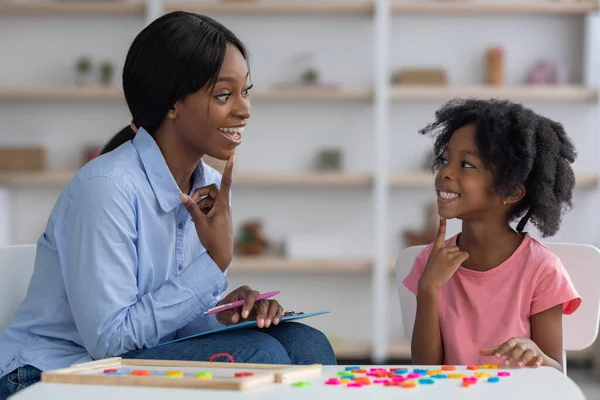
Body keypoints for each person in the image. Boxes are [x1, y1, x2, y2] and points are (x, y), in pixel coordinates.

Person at [0, 11, 335, 399]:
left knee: (306, 345)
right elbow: (111, 341)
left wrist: (224, 315)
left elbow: (171, 325)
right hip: (43, 375)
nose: (244, 110)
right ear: (173, 103)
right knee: (258, 354)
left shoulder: (208, 186)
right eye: (224, 95)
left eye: (246, 92)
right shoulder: (106, 188)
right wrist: (214, 264)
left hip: (125, 362)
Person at [402, 98, 581, 371]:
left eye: (466, 165)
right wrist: (429, 288)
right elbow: (425, 368)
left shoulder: (542, 271)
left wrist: (535, 354)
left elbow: (554, 373)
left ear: (510, 191)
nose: (444, 173)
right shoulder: (430, 262)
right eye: (445, 160)